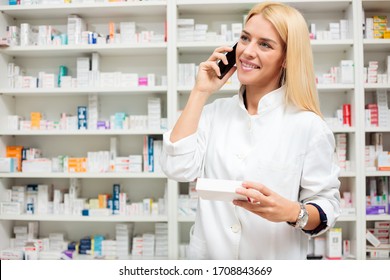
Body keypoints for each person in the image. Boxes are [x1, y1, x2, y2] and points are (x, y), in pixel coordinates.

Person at [161, 1, 341, 259]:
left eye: (265, 44)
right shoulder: (213, 113)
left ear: (287, 58)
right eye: (245, 38)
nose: (247, 51)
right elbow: (177, 168)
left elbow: (327, 206)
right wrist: (200, 91)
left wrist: (292, 212)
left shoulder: (309, 126)